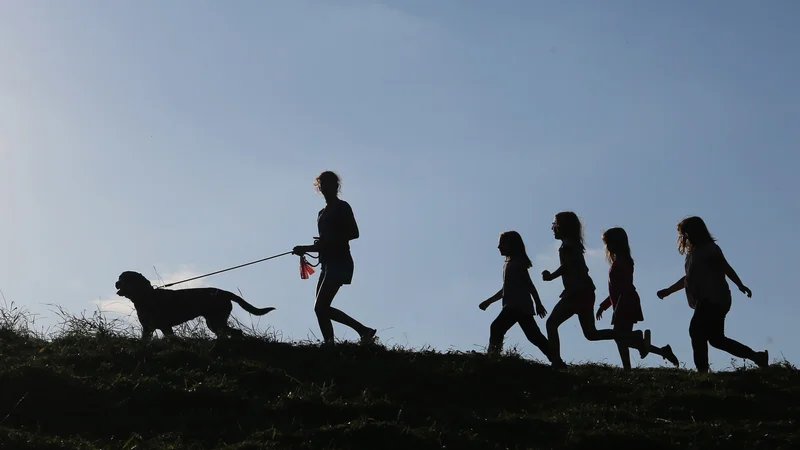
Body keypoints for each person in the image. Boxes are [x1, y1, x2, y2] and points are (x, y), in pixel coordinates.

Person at [656, 216, 768, 372]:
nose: (683, 237)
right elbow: (688, 279)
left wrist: (740, 284)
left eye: (685, 233)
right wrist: (669, 290)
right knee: (716, 340)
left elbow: (725, 267)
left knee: (696, 330)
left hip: (714, 298)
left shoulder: (709, 249)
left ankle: (702, 370)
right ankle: (757, 357)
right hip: (707, 300)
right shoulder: (692, 254)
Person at [541, 211, 650, 368]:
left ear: (562, 227)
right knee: (591, 333)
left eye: (554, 224)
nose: (552, 228)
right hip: (584, 292)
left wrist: (551, 276)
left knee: (552, 324)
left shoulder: (569, 246)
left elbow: (569, 265)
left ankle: (556, 361)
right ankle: (632, 336)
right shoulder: (573, 245)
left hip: (576, 293)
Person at [292, 170, 377, 345]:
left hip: (340, 262)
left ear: (336, 186)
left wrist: (317, 244)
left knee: (320, 306)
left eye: (329, 184)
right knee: (319, 309)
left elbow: (354, 233)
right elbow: (324, 243)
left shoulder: (342, 207)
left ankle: (363, 330)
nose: (325, 188)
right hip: (327, 264)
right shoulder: (321, 214)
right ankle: (329, 344)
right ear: (319, 187)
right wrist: (313, 247)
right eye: (322, 184)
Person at [595, 227, 679, 370]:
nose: (607, 247)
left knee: (620, 337)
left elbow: (624, 287)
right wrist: (604, 306)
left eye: (609, 242)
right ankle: (660, 351)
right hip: (623, 303)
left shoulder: (624, 262)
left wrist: (618, 307)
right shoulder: (620, 262)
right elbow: (616, 289)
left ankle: (629, 363)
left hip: (626, 304)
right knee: (622, 338)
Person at [479, 231, 551, 361]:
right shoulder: (509, 264)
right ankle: (555, 358)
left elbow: (529, 285)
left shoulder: (517, 264)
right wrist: (488, 301)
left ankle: (493, 356)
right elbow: (505, 289)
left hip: (516, 306)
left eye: (501, 244)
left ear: (511, 245)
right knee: (534, 336)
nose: (498, 247)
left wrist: (538, 304)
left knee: (496, 327)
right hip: (519, 306)